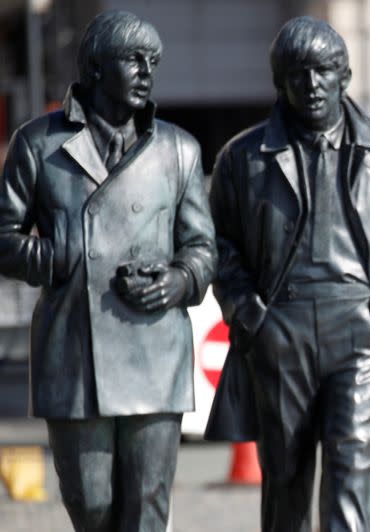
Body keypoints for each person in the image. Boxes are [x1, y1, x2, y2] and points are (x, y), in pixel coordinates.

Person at [205, 16, 370, 532]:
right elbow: (218, 246)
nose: (312, 84)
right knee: (286, 482)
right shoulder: (243, 158)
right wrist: (249, 314)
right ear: (280, 80)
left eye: (324, 70)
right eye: (299, 72)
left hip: (361, 328)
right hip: (281, 328)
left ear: (344, 75)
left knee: (351, 478)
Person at [0, 10, 216, 532]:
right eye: (134, 60)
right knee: (91, 506)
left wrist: (179, 280)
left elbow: (204, 248)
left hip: (154, 352)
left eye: (154, 62)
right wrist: (57, 256)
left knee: (146, 509)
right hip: (75, 355)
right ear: (95, 68)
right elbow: (3, 238)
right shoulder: (39, 144)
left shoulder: (178, 150)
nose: (147, 71)